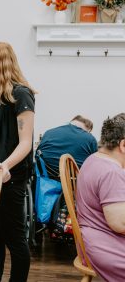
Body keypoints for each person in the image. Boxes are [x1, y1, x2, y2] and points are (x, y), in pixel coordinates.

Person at [0, 42, 36, 282]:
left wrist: (6, 166)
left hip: (11, 181)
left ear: (1, 62)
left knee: (15, 240)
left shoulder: (21, 94)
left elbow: (25, 143)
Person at [76, 113, 125, 281]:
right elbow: (119, 224)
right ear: (123, 145)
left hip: (91, 241)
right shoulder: (112, 172)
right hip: (106, 247)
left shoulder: (93, 160)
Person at [36, 115, 98, 180]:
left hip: (45, 180)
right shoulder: (90, 138)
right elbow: (96, 165)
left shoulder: (48, 132)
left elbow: (38, 154)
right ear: (87, 129)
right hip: (73, 183)